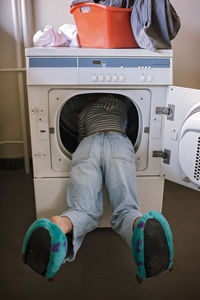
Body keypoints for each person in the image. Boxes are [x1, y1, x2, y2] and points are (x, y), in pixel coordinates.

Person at [22, 94, 173, 282]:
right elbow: (129, 119)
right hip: (118, 142)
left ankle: (59, 225)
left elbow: (80, 137)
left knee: (83, 210)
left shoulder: (85, 113)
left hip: (87, 145)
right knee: (125, 208)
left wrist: (81, 113)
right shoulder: (118, 102)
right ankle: (140, 225)